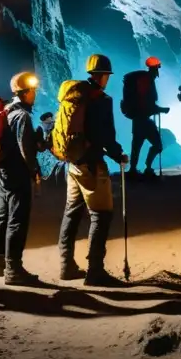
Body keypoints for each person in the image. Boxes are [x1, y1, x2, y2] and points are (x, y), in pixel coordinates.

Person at [57, 53, 129, 286]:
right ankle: (95, 270)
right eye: (107, 75)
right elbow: (106, 136)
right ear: (104, 75)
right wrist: (118, 154)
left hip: (73, 164)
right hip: (90, 166)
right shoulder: (100, 99)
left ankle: (66, 266)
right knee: (101, 214)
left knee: (72, 212)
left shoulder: (74, 96)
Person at [0, 72, 42, 286]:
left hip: (2, 171)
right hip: (17, 172)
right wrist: (34, 170)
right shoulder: (22, 115)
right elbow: (25, 148)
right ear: (27, 92)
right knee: (17, 219)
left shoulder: (6, 110)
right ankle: (13, 269)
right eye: (34, 91)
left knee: (1, 215)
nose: (35, 95)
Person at [124, 56, 170, 181]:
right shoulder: (146, 81)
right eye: (157, 69)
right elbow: (147, 104)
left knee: (136, 146)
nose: (157, 73)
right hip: (144, 120)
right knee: (158, 145)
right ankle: (148, 168)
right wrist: (161, 110)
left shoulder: (143, 80)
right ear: (155, 69)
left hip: (137, 120)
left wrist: (157, 109)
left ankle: (133, 170)